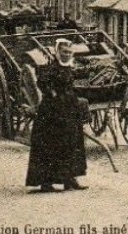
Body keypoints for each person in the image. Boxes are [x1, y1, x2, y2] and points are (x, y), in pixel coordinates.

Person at [25, 39, 89, 193]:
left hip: (68, 108)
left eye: (69, 52)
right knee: (50, 143)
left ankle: (70, 179)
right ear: (57, 52)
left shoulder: (69, 67)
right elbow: (42, 83)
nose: (67, 55)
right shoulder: (51, 67)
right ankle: (46, 182)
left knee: (72, 142)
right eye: (64, 52)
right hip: (52, 111)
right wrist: (53, 94)